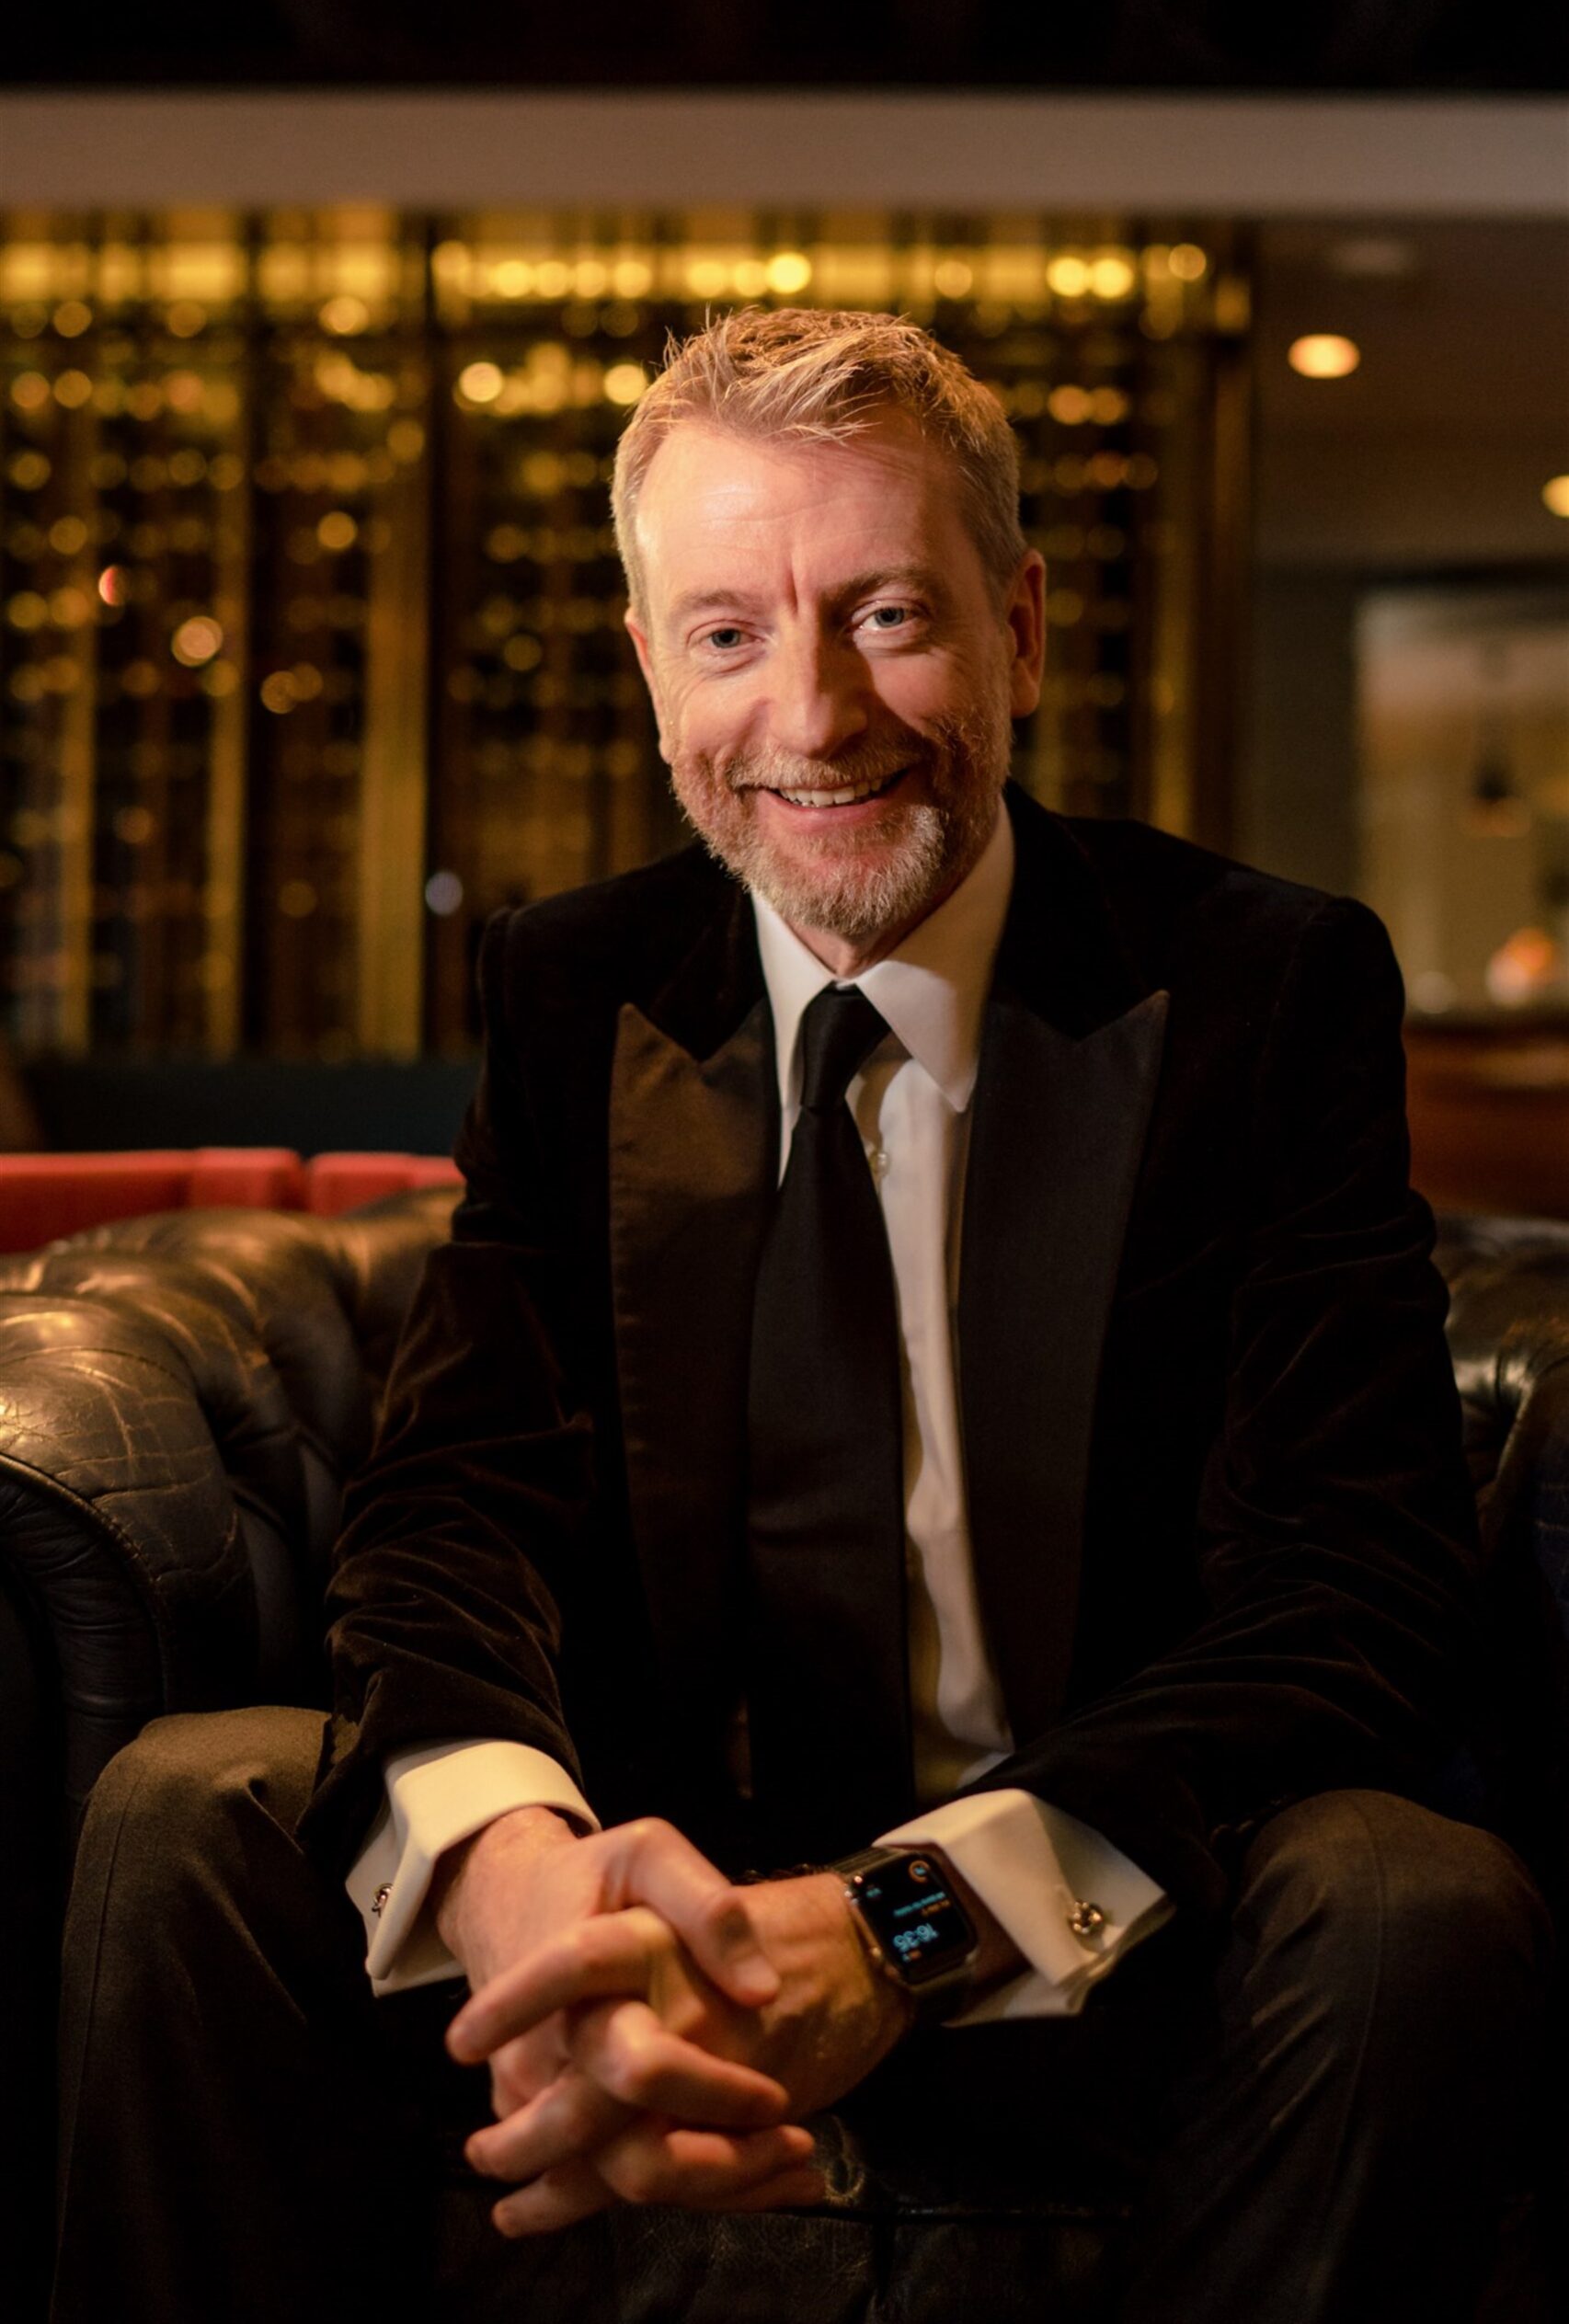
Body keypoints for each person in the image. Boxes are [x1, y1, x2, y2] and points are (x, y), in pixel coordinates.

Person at [52, 311, 1552, 2324]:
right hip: (643, 1895)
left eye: (887, 613)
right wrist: (517, 1872)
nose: (818, 714)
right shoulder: (580, 984)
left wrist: (908, 1921)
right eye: (732, 631)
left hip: (1099, 1924)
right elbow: (455, 1499)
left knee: (1415, 1903)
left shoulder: (1263, 986)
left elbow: (1346, 1581)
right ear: (652, 664)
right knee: (181, 1810)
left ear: (1018, 629)